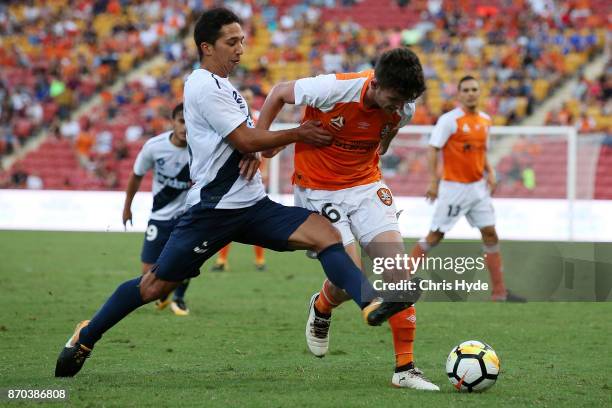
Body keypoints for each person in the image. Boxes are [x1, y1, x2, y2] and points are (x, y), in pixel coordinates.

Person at [55, 8, 418, 378]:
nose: (241, 49)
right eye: (232, 42)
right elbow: (244, 138)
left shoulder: (226, 87)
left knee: (326, 234)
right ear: (206, 47)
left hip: (252, 205)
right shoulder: (201, 84)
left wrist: (255, 152)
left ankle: (371, 303)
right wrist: (296, 134)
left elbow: (243, 142)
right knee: (153, 287)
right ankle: (87, 334)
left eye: (242, 40)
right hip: (213, 210)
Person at [257, 48, 438, 391]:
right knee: (348, 280)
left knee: (398, 273)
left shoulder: (404, 108)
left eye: (406, 101)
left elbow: (388, 134)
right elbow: (279, 91)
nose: (400, 107)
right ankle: (323, 304)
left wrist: (384, 137)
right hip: (319, 190)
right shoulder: (333, 89)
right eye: (395, 99)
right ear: (376, 83)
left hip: (366, 186)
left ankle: (405, 368)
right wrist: (259, 144)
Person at [408, 75, 525, 302]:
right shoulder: (449, 120)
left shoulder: (485, 120)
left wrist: (489, 173)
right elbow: (433, 149)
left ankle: (499, 293)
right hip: (454, 188)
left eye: (474, 89)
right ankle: (400, 281)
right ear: (459, 94)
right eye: (466, 90)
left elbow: (482, 153)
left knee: (490, 234)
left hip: (478, 189)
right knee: (435, 236)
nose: (471, 93)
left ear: (479, 93)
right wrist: (434, 181)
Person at [122, 103, 192, 316]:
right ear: (173, 122)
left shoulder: (201, 148)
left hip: (188, 216)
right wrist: (127, 208)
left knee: (187, 261)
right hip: (159, 216)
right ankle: (165, 294)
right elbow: (136, 175)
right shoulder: (154, 146)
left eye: (190, 121)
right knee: (148, 272)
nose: (185, 127)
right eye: (181, 121)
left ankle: (179, 298)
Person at [211, 88, 266, 271]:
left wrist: (263, 170)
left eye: (250, 97)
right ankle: (222, 260)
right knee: (227, 220)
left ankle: (260, 260)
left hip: (255, 176)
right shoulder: (232, 119)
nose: (247, 100)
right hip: (234, 177)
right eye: (245, 98)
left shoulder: (259, 120)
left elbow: (265, 145)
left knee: (257, 221)